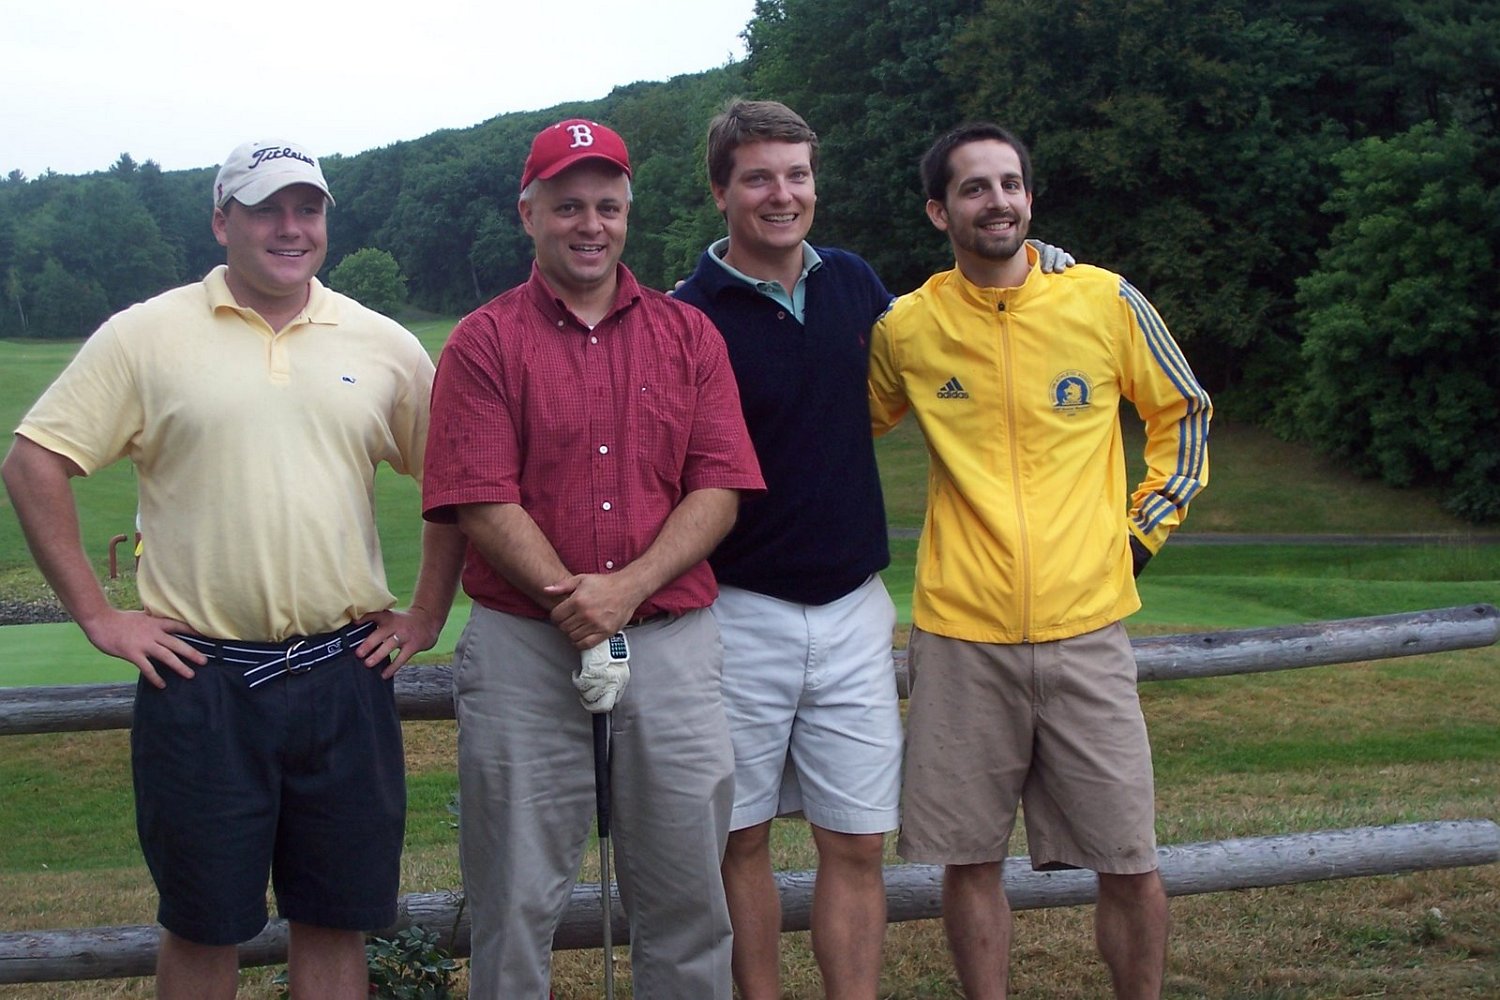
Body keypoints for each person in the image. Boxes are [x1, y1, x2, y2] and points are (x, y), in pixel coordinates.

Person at [1, 139, 465, 999]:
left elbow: (454, 483)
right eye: (265, 210)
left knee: (336, 921)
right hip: (202, 683)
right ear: (222, 222)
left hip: (342, 675)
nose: (290, 228)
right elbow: (34, 463)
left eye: (307, 209)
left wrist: (428, 611)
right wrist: (99, 616)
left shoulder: (385, 343)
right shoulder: (145, 335)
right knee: (202, 924)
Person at [673, 100, 1075, 1000]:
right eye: (758, 178)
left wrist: (1041, 268)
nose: (783, 194)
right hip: (734, 610)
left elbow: (953, 328)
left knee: (856, 840)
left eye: (797, 175)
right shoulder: (686, 316)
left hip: (855, 609)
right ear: (720, 192)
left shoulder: (854, 284)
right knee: (739, 839)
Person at [421, 118, 765, 1000]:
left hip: (670, 642)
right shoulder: (483, 340)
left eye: (607, 206)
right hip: (523, 647)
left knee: (688, 899)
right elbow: (480, 496)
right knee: (513, 900)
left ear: (627, 215)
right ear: (528, 214)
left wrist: (625, 590)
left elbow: (719, 487)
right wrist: (576, 603)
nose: (590, 224)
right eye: (568, 205)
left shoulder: (689, 335)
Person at [867, 123, 1212, 999]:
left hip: (1087, 629)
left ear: (1030, 196)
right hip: (961, 635)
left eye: (1011, 183)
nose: (999, 201)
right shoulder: (908, 327)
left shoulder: (1104, 299)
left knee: (1130, 858)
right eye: (975, 187)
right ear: (939, 211)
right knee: (969, 858)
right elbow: (830, 424)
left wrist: (1139, 536)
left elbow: (1184, 413)